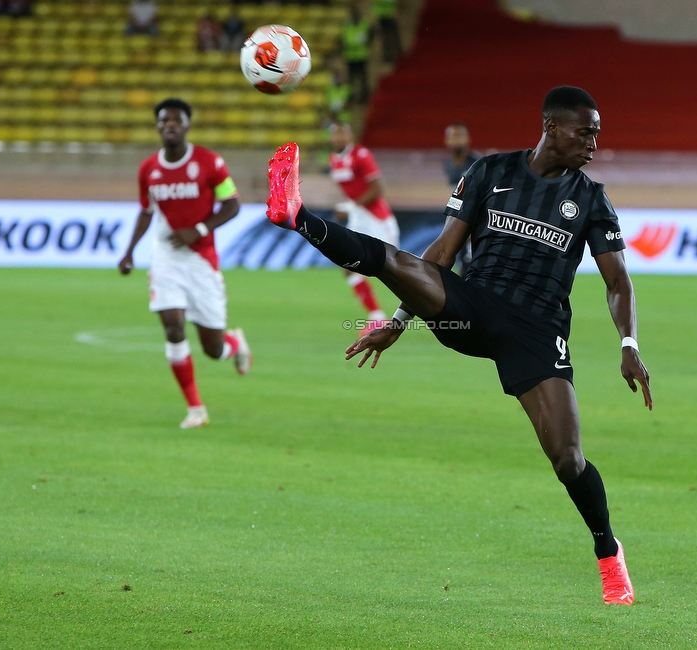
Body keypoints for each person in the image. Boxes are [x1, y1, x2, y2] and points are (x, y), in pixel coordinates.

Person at [265, 86, 652, 605]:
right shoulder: (489, 173)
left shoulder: (590, 198)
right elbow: (443, 252)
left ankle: (608, 552)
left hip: (536, 332)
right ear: (551, 127)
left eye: (596, 134)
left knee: (568, 460)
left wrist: (628, 342)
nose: (593, 143)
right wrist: (400, 321)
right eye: (585, 132)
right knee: (396, 260)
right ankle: (296, 216)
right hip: (472, 306)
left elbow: (618, 282)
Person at [118, 98, 252, 429]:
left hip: (201, 260)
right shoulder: (148, 169)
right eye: (164, 121)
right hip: (165, 257)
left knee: (212, 348)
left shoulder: (210, 163)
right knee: (173, 326)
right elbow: (147, 211)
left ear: (188, 125)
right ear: (157, 126)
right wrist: (129, 251)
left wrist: (200, 229)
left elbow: (232, 204)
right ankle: (196, 409)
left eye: (176, 120)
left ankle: (235, 343)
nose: (170, 125)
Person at [327, 121, 400, 335]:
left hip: (378, 219)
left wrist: (349, 207)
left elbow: (379, 188)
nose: (340, 138)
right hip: (359, 218)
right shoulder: (333, 160)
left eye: (344, 134)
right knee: (348, 265)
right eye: (336, 134)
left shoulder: (361, 155)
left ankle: (431, 309)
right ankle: (376, 316)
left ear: (350, 135)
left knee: (395, 271)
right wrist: (349, 208)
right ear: (331, 137)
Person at [444, 122, 480, 274]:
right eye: (452, 136)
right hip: (461, 220)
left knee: (473, 266)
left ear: (467, 139)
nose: (456, 140)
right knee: (463, 267)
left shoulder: (477, 164)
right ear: (446, 140)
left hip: (476, 223)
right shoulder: (448, 165)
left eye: (459, 136)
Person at [341, 6, 372, 104]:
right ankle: (352, 96)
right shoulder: (347, 26)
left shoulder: (364, 25)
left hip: (361, 56)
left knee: (363, 78)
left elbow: (370, 37)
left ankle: (364, 95)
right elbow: (343, 40)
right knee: (351, 79)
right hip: (350, 57)